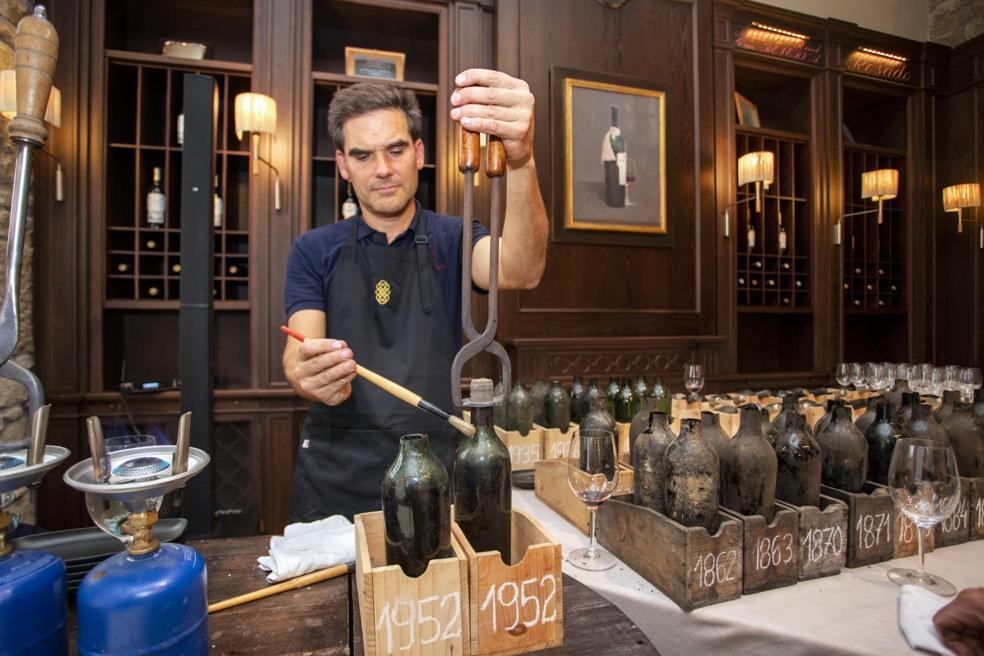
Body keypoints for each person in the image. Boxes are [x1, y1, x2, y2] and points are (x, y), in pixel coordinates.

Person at [282, 69, 548, 521]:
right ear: (343, 165)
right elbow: (298, 352)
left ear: (419, 153)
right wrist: (308, 372)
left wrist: (521, 160)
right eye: (363, 156)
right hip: (337, 480)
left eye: (396, 149)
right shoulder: (313, 250)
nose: (382, 169)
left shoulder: (454, 237)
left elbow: (522, 269)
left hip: (436, 471)